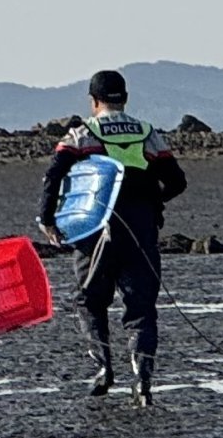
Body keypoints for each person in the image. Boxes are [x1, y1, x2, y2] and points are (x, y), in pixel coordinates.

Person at [38, 70, 187, 405]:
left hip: (95, 232)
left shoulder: (82, 134)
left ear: (94, 102)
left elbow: (53, 176)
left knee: (89, 301)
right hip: (140, 230)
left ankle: (103, 368)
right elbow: (177, 181)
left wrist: (49, 220)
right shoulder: (147, 133)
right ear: (126, 99)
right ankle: (142, 383)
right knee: (141, 307)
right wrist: (150, 202)